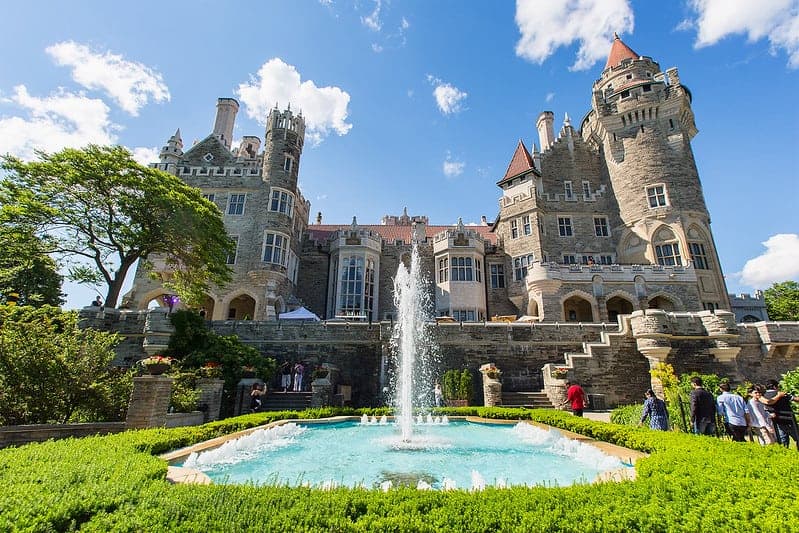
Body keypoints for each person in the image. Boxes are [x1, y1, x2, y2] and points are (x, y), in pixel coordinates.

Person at [758, 379, 799, 449]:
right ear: (774, 386)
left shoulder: (763, 395)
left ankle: (784, 452)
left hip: (777, 420)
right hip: (789, 420)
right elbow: (796, 399)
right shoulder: (781, 394)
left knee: (783, 439)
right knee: (797, 437)